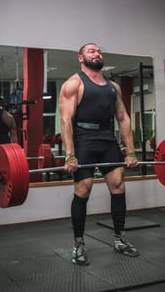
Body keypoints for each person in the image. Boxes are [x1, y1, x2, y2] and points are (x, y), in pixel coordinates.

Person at [59, 43, 139, 266]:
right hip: (83, 139)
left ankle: (120, 239)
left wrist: (130, 150)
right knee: (84, 188)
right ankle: (78, 244)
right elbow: (65, 120)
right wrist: (70, 154)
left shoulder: (113, 86)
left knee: (118, 186)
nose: (97, 53)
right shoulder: (73, 83)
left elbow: (122, 118)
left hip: (107, 139)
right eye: (91, 51)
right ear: (81, 58)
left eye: (99, 51)